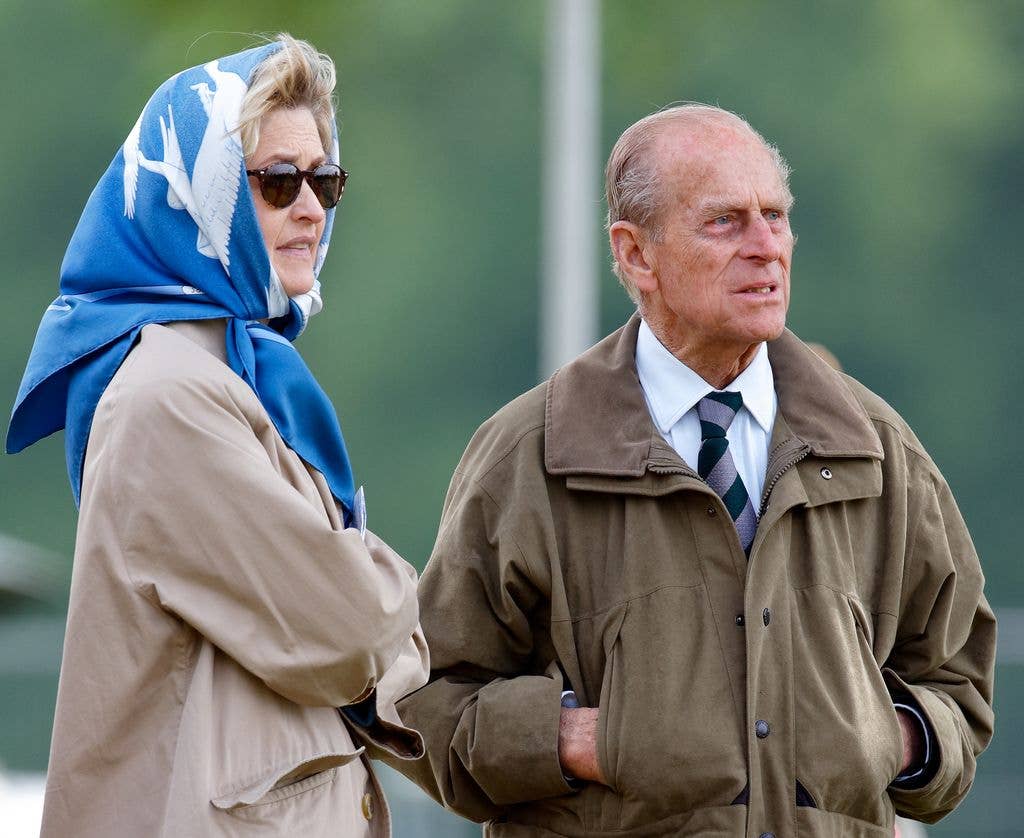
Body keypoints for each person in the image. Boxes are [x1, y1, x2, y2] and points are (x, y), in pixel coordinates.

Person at [391, 104, 995, 836]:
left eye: (776, 216)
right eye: (725, 222)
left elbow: (958, 686)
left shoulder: (877, 449)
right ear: (636, 254)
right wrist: (573, 741)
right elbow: (424, 701)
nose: (766, 247)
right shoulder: (529, 455)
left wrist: (888, 738)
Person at [6, 35, 428, 837]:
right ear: (195, 194)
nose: (310, 207)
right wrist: (391, 588)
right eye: (275, 182)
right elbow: (348, 635)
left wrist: (377, 627)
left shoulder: (231, 378)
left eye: (324, 180)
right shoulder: (170, 395)